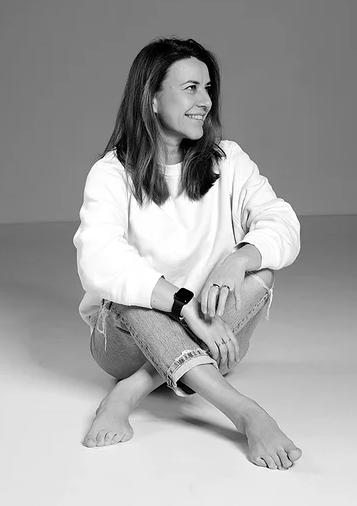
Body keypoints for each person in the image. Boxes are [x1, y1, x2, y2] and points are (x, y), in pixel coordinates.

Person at [73, 37, 303, 470]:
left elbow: (283, 222)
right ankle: (246, 413)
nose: (206, 101)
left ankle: (131, 391)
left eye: (208, 88)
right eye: (191, 88)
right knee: (130, 293)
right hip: (128, 343)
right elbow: (100, 261)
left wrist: (239, 258)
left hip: (215, 332)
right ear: (152, 98)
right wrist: (183, 307)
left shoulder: (227, 160)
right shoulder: (112, 173)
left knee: (262, 271)